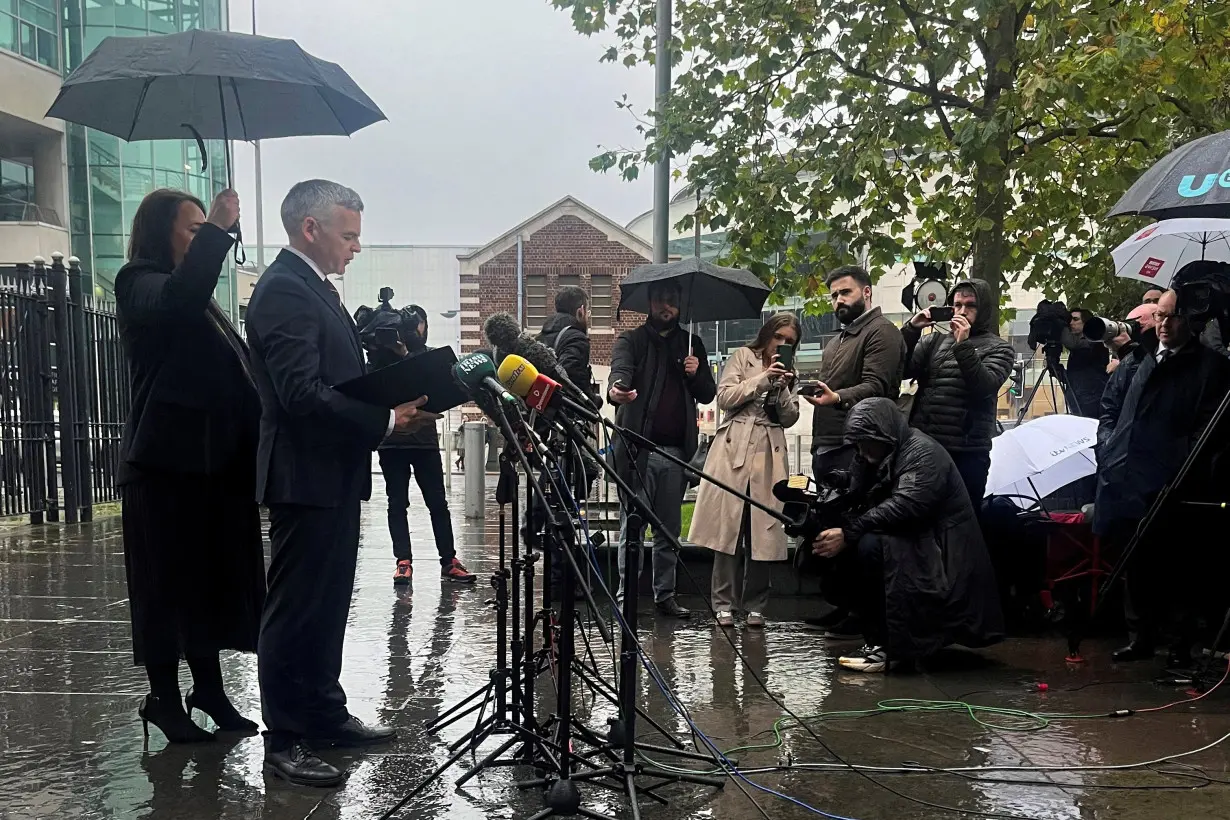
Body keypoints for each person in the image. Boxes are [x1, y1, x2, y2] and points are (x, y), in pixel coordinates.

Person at [246, 180, 436, 787]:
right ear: (311, 229)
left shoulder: (315, 290)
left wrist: (391, 388)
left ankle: (324, 713)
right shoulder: (283, 290)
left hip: (332, 473)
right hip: (303, 476)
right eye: (348, 234)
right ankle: (284, 741)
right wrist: (385, 418)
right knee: (295, 609)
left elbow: (337, 377)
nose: (356, 246)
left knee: (328, 604)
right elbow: (301, 394)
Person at [114, 188, 265, 744]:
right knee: (166, 587)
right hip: (164, 469)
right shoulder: (139, 282)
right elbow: (176, 301)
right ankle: (163, 698)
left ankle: (209, 689)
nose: (202, 238)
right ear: (161, 233)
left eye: (207, 230)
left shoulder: (200, 298)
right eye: (193, 229)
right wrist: (222, 230)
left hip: (211, 469)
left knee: (206, 584)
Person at [810, 398, 1004, 673]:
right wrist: (835, 484)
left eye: (866, 444)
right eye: (858, 445)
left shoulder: (923, 453)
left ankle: (891, 646)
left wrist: (850, 532)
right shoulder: (881, 449)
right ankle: (878, 637)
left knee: (868, 548)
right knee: (836, 547)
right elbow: (859, 486)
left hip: (940, 552)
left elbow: (906, 505)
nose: (862, 452)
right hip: (916, 540)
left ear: (882, 435)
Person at [1095, 289, 1230, 666]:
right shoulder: (1139, 359)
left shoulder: (1210, 367)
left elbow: (1208, 429)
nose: (1164, 324)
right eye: (1159, 315)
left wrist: (1182, 466)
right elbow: (1112, 407)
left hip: (1174, 482)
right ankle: (1139, 637)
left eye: (1172, 316)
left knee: (1179, 567)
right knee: (1135, 563)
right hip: (1126, 477)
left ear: (1190, 321)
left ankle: (1181, 645)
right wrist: (1108, 449)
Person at [801, 265, 906, 637]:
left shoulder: (882, 332)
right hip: (827, 444)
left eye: (845, 293)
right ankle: (844, 606)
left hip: (857, 445)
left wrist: (838, 398)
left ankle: (862, 614)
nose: (838, 301)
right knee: (832, 529)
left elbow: (878, 387)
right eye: (833, 295)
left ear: (867, 293)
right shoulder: (837, 340)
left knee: (853, 529)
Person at [608, 280, 718, 618]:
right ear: (650, 304)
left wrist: (697, 373)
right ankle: (626, 595)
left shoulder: (692, 343)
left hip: (675, 454)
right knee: (632, 528)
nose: (665, 307)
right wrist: (618, 390)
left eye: (671, 300)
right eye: (660, 301)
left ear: (679, 305)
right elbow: (620, 370)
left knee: (669, 531)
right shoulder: (632, 340)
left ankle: (664, 595)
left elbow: (708, 394)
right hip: (637, 452)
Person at [690, 313, 802, 628]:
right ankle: (722, 603)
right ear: (767, 334)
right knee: (728, 529)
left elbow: (790, 418)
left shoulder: (790, 370)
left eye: (790, 341)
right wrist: (764, 379)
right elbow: (725, 398)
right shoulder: (743, 356)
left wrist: (782, 389)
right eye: (779, 336)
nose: (782, 344)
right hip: (734, 447)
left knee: (764, 531)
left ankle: (756, 605)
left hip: (769, 451)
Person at [365, 304, 475, 585]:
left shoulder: (426, 357)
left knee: (437, 502)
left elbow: (436, 386)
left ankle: (449, 560)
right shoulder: (378, 359)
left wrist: (405, 355)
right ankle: (403, 562)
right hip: (392, 442)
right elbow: (368, 385)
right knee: (397, 503)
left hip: (424, 441)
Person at [901, 278, 1014, 504]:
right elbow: (901, 370)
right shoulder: (934, 341)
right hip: (926, 446)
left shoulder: (1000, 348)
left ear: (982, 310)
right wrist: (912, 330)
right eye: (957, 304)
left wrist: (963, 345)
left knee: (964, 521)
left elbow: (984, 387)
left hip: (968, 452)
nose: (962, 311)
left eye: (970, 305)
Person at [539, 284, 603, 408]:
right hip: (566, 417)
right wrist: (593, 400)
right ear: (581, 311)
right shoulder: (576, 338)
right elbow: (571, 382)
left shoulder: (541, 336)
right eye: (587, 313)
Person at [1061, 309, 1109, 419]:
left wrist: (1062, 327)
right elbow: (1076, 374)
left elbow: (1073, 344)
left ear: (1086, 322)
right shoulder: (1079, 346)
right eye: (1069, 320)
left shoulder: (1094, 340)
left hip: (1092, 397)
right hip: (1077, 395)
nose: (1071, 323)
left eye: (1075, 319)